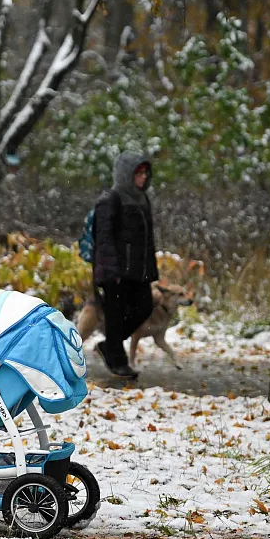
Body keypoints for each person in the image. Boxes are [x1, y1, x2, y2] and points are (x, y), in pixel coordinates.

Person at [92, 151, 159, 378]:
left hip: (138, 271)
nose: (143, 177)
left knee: (144, 307)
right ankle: (118, 361)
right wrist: (111, 271)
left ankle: (110, 346)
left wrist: (150, 269)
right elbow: (103, 238)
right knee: (115, 313)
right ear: (126, 174)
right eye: (138, 173)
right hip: (116, 271)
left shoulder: (142, 199)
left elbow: (146, 240)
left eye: (145, 173)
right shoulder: (110, 199)